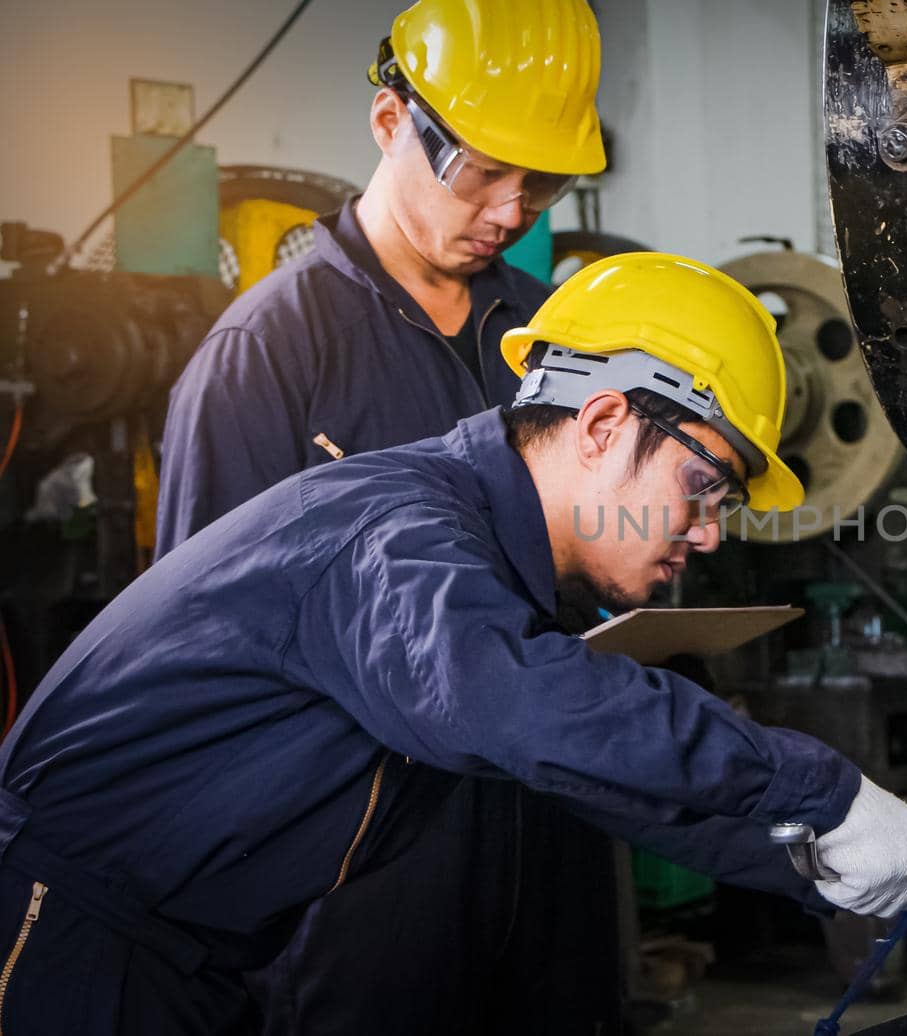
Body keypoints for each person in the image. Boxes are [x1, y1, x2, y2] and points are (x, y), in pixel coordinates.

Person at [0, 253, 907, 1034]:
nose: (708, 532)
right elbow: (529, 704)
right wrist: (817, 790)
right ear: (605, 422)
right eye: (704, 487)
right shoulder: (396, 534)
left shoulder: (494, 572)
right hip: (70, 935)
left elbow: (590, 774)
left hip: (185, 956)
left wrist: (840, 860)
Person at [154, 1, 624, 1030]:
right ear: (387, 119)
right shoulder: (270, 354)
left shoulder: (552, 335)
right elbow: (197, 651)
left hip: (549, 828)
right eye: (481, 169)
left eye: (539, 182)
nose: (509, 209)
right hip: (362, 860)